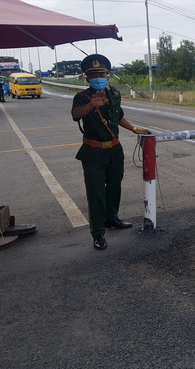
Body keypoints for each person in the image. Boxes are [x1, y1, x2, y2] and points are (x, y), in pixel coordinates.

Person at [71, 54, 149, 250]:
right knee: (96, 194)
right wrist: (91, 105)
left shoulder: (114, 94)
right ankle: (98, 233)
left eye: (102, 73)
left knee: (114, 188)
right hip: (93, 153)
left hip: (115, 150)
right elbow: (75, 115)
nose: (98, 77)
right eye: (93, 74)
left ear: (108, 75)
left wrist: (134, 129)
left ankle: (112, 219)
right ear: (86, 78)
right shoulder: (81, 98)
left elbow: (119, 116)